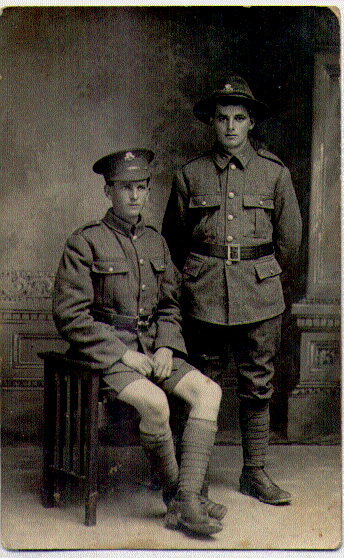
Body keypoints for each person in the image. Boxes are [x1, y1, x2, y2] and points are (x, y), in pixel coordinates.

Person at [52, 149, 226, 536]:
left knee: (208, 392)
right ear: (108, 190)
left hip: (152, 345)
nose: (135, 195)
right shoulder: (86, 242)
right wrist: (122, 354)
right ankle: (180, 497)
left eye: (142, 187)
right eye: (126, 187)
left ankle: (186, 498)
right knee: (155, 402)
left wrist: (165, 345)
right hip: (104, 352)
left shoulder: (156, 243)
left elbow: (169, 305)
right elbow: (70, 315)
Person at [162, 76, 302, 505]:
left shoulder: (275, 173)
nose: (230, 126)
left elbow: (290, 240)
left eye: (239, 118)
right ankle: (194, 477)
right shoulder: (191, 175)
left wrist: (262, 275)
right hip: (203, 293)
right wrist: (199, 274)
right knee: (200, 383)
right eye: (222, 118)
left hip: (260, 295)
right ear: (212, 123)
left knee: (257, 383)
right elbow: (174, 236)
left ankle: (255, 472)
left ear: (252, 123)